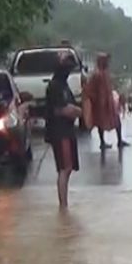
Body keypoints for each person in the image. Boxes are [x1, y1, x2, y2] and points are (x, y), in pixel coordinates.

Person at [45, 52, 82, 208]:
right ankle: (63, 206)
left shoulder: (64, 86)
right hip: (59, 132)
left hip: (67, 130)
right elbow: (60, 110)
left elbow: (71, 107)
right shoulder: (54, 86)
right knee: (64, 168)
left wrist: (75, 110)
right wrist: (76, 110)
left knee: (68, 169)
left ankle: (64, 205)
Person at [84, 53, 126, 150]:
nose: (108, 63)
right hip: (101, 103)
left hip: (107, 101)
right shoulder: (98, 75)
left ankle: (117, 140)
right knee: (103, 123)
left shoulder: (103, 73)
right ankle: (105, 142)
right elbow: (90, 89)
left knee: (113, 121)